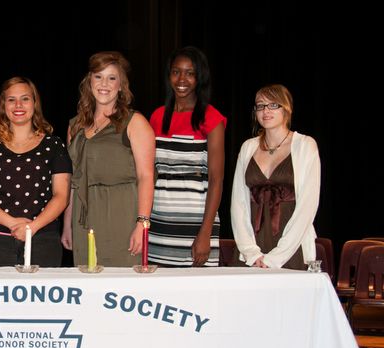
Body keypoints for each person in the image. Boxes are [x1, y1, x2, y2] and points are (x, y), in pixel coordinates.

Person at [61, 51, 155, 266]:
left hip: (121, 213)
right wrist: (67, 223)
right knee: (87, 285)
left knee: (122, 286)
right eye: (98, 76)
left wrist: (142, 223)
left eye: (112, 78)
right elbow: (74, 181)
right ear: (89, 81)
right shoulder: (75, 126)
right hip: (83, 218)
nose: (104, 84)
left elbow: (146, 176)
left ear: (121, 85)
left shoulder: (135, 122)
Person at [0, 77, 71, 267]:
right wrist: (13, 224)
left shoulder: (54, 145)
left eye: (25, 99)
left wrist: (32, 228)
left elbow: (61, 195)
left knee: (42, 297)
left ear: (34, 103)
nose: (18, 105)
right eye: (11, 99)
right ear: (3, 105)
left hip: (43, 240)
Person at [148, 46, 226, 267]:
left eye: (190, 73)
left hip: (196, 225)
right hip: (159, 224)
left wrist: (205, 232)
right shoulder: (157, 116)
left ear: (199, 77)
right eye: (176, 72)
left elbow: (216, 179)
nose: (181, 79)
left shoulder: (212, 118)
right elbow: (152, 172)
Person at [230, 84, 320, 269]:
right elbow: (238, 204)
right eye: (260, 105)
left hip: (291, 247)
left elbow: (307, 207)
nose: (265, 111)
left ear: (286, 108)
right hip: (252, 248)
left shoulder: (305, 145)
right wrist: (251, 253)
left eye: (273, 105)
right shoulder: (248, 147)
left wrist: (275, 259)